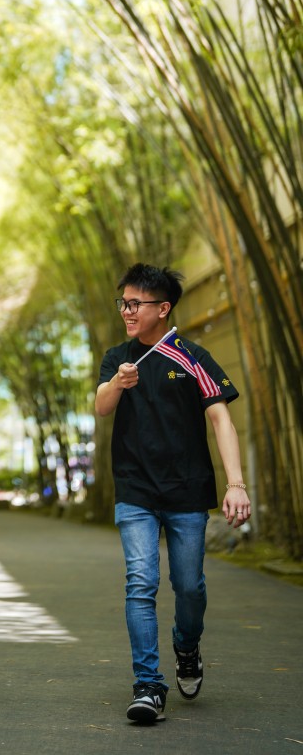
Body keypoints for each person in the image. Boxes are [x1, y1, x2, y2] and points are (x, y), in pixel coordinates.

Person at [95, 263, 251, 726]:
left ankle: (187, 644)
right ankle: (148, 684)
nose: (127, 310)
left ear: (163, 309)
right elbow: (101, 407)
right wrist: (117, 384)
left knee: (189, 587)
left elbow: (221, 418)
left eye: (135, 303)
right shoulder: (118, 357)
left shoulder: (192, 356)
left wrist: (236, 484)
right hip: (135, 490)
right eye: (123, 302)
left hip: (186, 490)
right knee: (140, 584)